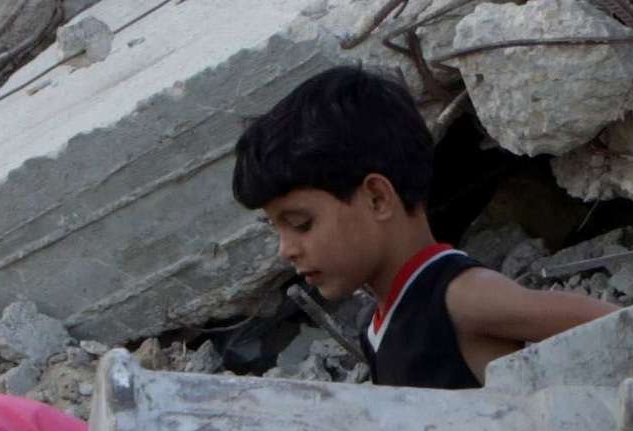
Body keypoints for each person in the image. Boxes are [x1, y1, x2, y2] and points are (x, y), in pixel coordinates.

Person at [231, 63, 611, 388]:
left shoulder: (461, 298)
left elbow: (622, 326)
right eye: (275, 228)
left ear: (378, 198)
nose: (286, 249)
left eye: (301, 223)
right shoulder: (379, 324)